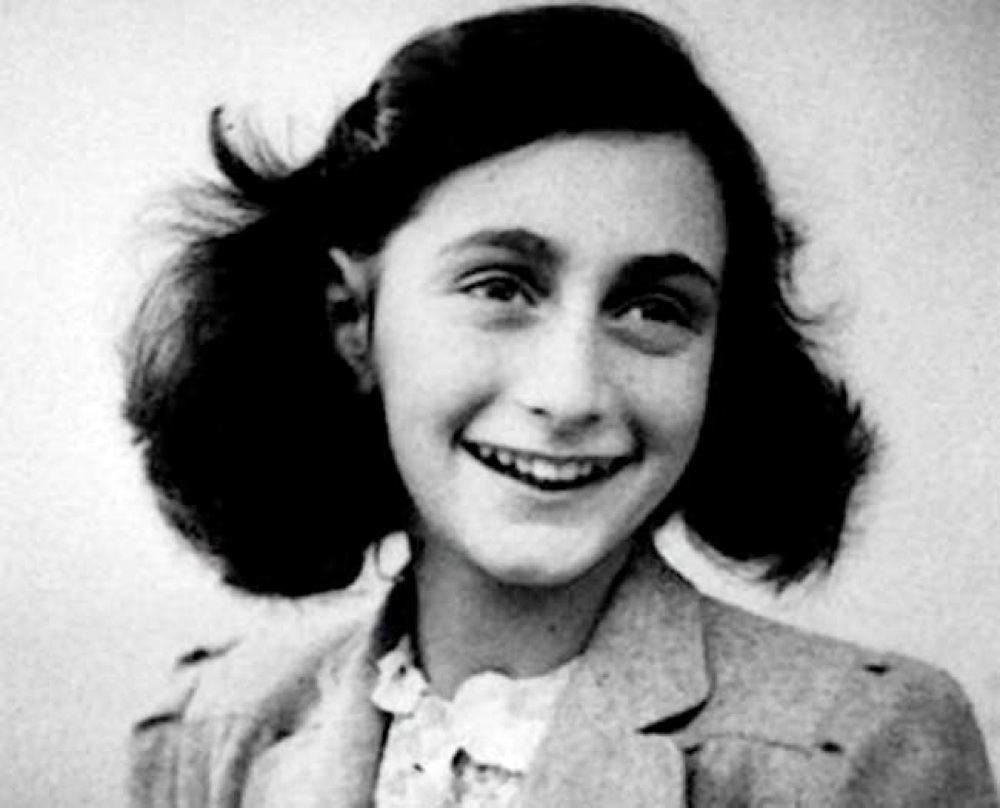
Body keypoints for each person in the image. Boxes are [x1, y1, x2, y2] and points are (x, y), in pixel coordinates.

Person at [123, 4, 997, 806]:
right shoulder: (208, 733)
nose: (571, 393)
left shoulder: (861, 751)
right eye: (501, 287)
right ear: (352, 321)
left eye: (654, 309)